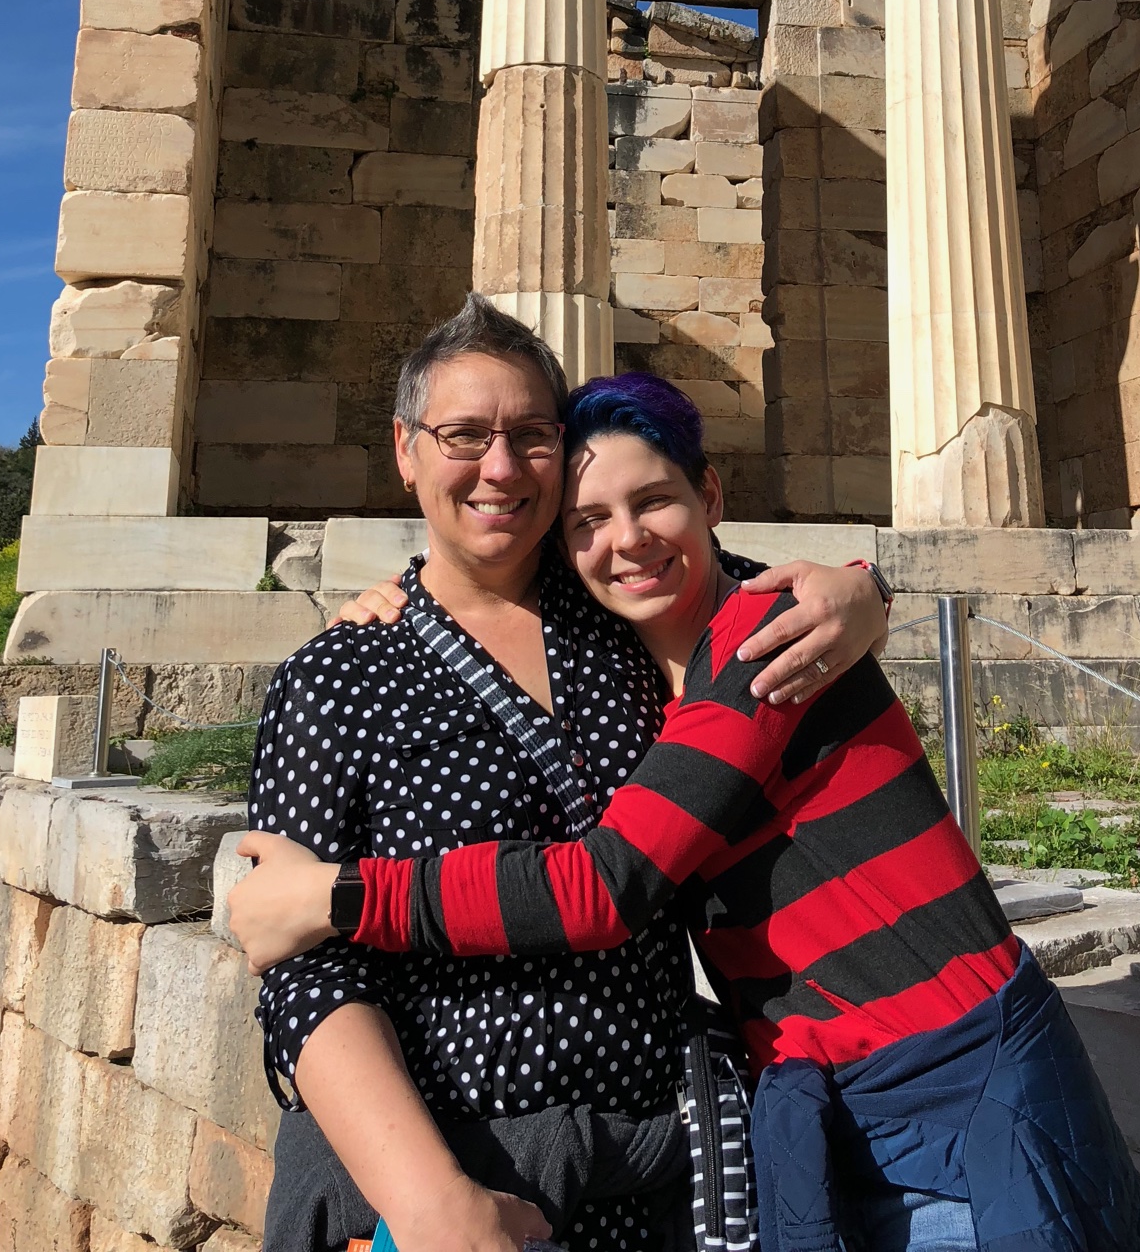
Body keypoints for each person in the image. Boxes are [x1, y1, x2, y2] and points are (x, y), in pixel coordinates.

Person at [236, 373, 1140, 1252]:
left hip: (956, 1080)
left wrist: (338, 895)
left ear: (711, 496)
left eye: (653, 500)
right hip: (835, 1093)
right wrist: (407, 598)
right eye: (586, 522)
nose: (626, 538)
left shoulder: (760, 643)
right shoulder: (644, 672)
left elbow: (604, 887)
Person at [240, 300, 891, 1252]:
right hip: (452, 1177)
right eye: (463, 435)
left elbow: (779, 598)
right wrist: (434, 1206)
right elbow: (303, 973)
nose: (499, 468)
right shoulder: (338, 675)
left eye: (532, 436)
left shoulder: (625, 618)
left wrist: (868, 589)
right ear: (406, 450)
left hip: (662, 1161)